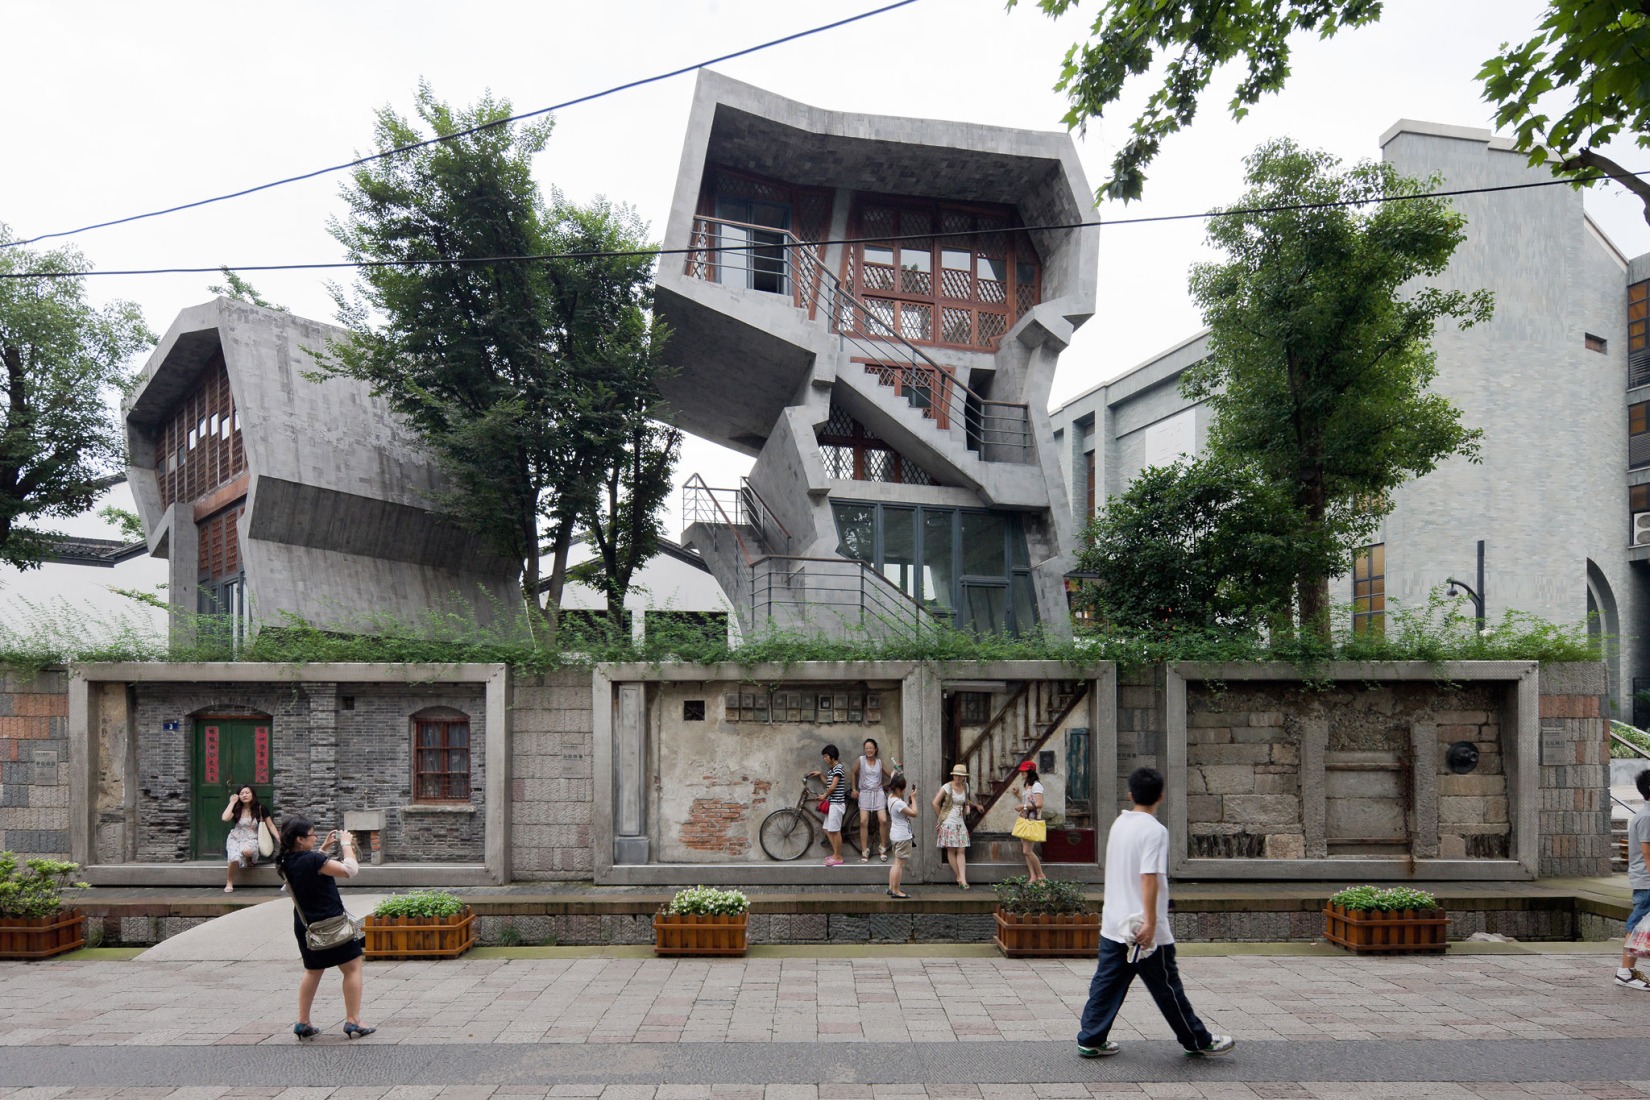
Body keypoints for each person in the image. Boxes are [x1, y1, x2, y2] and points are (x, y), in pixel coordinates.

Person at [1077, 767, 1233, 1059]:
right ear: (1161, 796)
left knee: (1106, 984)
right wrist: (1150, 921)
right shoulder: (1155, 830)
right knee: (1168, 988)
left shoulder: (1119, 824)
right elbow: (1149, 876)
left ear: (1130, 794)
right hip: (1144, 928)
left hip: (1114, 922)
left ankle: (1091, 1038)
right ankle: (1197, 1039)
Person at [275, 816, 376, 1040]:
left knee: (313, 970)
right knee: (352, 967)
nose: (316, 837)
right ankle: (353, 1020)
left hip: (306, 926)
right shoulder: (312, 860)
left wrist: (321, 849)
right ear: (300, 839)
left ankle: (303, 1022)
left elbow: (309, 867)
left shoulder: (285, 861)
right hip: (331, 924)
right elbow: (350, 870)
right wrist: (346, 844)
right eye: (312, 834)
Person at [1615, 767, 1650, 989]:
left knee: (1639, 923)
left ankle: (1626, 971)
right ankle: (1624, 971)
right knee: (1636, 923)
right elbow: (1648, 852)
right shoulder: (1647, 816)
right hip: (1647, 881)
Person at [932, 763, 982, 889]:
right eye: (956, 775)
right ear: (953, 775)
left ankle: (962, 878)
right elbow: (935, 803)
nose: (958, 778)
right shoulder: (947, 787)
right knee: (952, 850)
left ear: (964, 777)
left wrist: (974, 806)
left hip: (960, 822)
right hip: (948, 822)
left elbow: (965, 801)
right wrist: (941, 818)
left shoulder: (965, 786)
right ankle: (959, 877)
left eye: (960, 776)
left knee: (961, 850)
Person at [221, 785, 275, 893]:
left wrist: (279, 838)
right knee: (234, 858)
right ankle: (229, 882)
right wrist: (232, 802)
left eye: (247, 793)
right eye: (241, 793)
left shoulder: (260, 808)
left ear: (252, 794)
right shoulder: (236, 809)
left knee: (247, 851)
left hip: (251, 839)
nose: (244, 795)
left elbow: (271, 825)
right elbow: (225, 818)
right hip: (235, 838)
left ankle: (248, 858)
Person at [851, 738, 894, 863]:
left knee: (884, 820)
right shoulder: (861, 760)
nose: (869, 750)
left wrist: (897, 773)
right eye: (866, 748)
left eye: (871, 748)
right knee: (863, 821)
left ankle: (883, 848)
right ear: (864, 750)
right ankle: (865, 850)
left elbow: (889, 774)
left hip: (878, 793)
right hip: (864, 793)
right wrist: (854, 789)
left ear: (875, 749)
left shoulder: (879, 762)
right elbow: (853, 773)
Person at [807, 744, 847, 867]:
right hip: (832, 804)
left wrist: (824, 796)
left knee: (835, 831)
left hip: (836, 804)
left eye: (826, 756)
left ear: (831, 755)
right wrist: (820, 775)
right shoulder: (832, 770)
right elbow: (828, 783)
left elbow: (833, 787)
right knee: (827, 829)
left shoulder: (839, 768)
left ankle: (838, 856)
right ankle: (835, 853)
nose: (825, 759)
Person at [1012, 760, 1046, 882]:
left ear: (1030, 771)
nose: (1021, 772)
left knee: (1027, 850)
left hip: (1032, 820)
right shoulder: (1027, 785)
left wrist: (1023, 807)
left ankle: (1041, 876)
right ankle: (1033, 876)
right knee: (1026, 851)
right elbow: (1028, 800)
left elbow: (1039, 804)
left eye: (1024, 770)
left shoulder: (1037, 785)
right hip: (1024, 819)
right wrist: (1018, 796)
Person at [885, 774, 919, 899]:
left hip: (895, 834)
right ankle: (896, 890)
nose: (904, 790)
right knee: (899, 864)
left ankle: (891, 887)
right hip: (902, 836)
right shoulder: (898, 803)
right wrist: (914, 799)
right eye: (903, 788)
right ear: (899, 789)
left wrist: (908, 802)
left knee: (895, 863)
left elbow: (902, 810)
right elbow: (914, 813)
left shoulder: (890, 798)